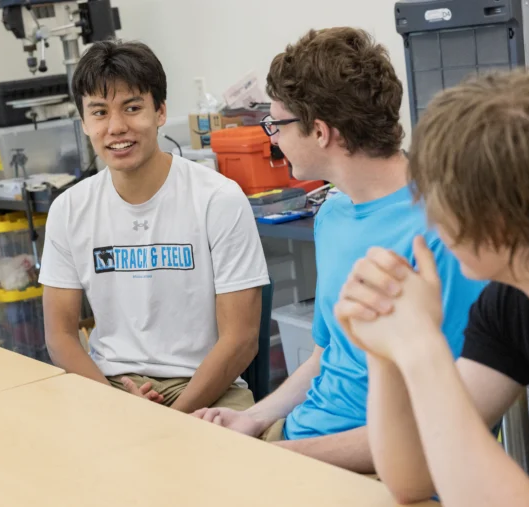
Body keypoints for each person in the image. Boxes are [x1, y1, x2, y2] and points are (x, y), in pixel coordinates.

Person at [192, 27, 486, 473]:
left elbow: (442, 429)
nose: (273, 138)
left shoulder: (445, 231)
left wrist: (277, 456)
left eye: (277, 124)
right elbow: (329, 354)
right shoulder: (333, 212)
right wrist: (253, 419)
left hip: (385, 467)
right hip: (301, 440)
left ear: (321, 132)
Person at [335, 70, 529, 506]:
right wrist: (384, 351)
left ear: (496, 216)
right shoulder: (511, 302)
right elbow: (412, 479)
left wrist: (420, 348)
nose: (429, 217)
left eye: (438, 197)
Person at [38, 40, 270, 414]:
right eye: (99, 112)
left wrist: (166, 420)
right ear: (84, 122)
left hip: (204, 387)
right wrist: (115, 403)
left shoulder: (218, 199)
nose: (116, 127)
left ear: (160, 111)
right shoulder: (69, 209)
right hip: (108, 384)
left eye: (132, 108)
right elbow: (60, 336)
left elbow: (242, 339)